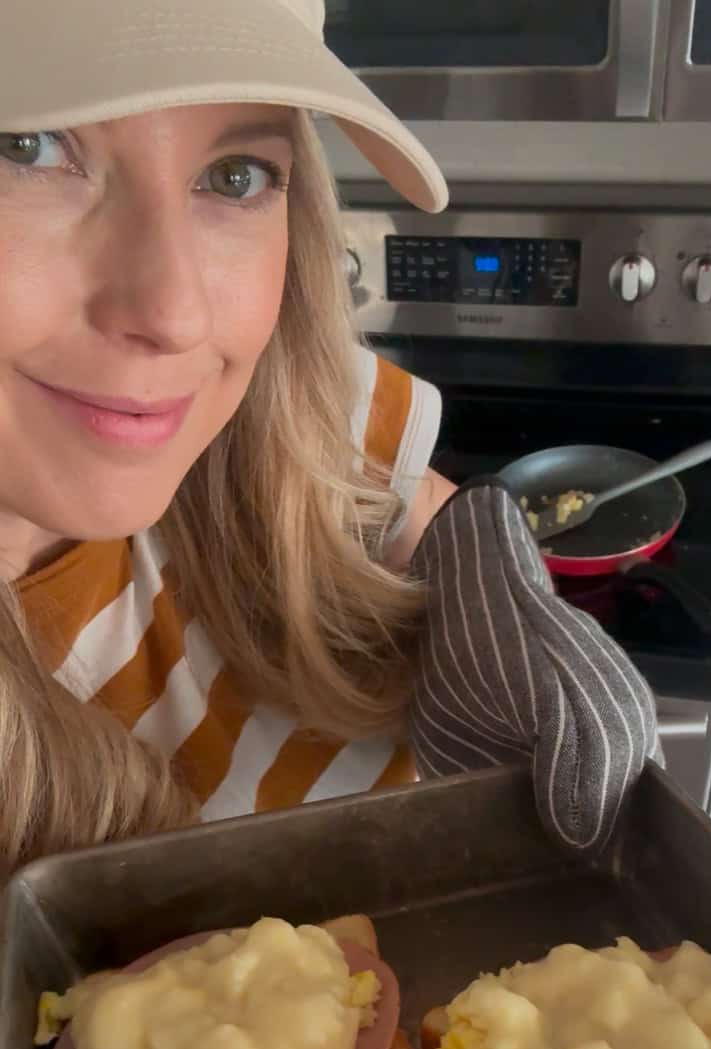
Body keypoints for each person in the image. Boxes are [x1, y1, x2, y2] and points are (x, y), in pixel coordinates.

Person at [0, 0, 657, 880]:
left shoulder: (292, 401)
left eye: (233, 176)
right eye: (26, 147)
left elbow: (412, 512)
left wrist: (482, 588)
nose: (175, 314)